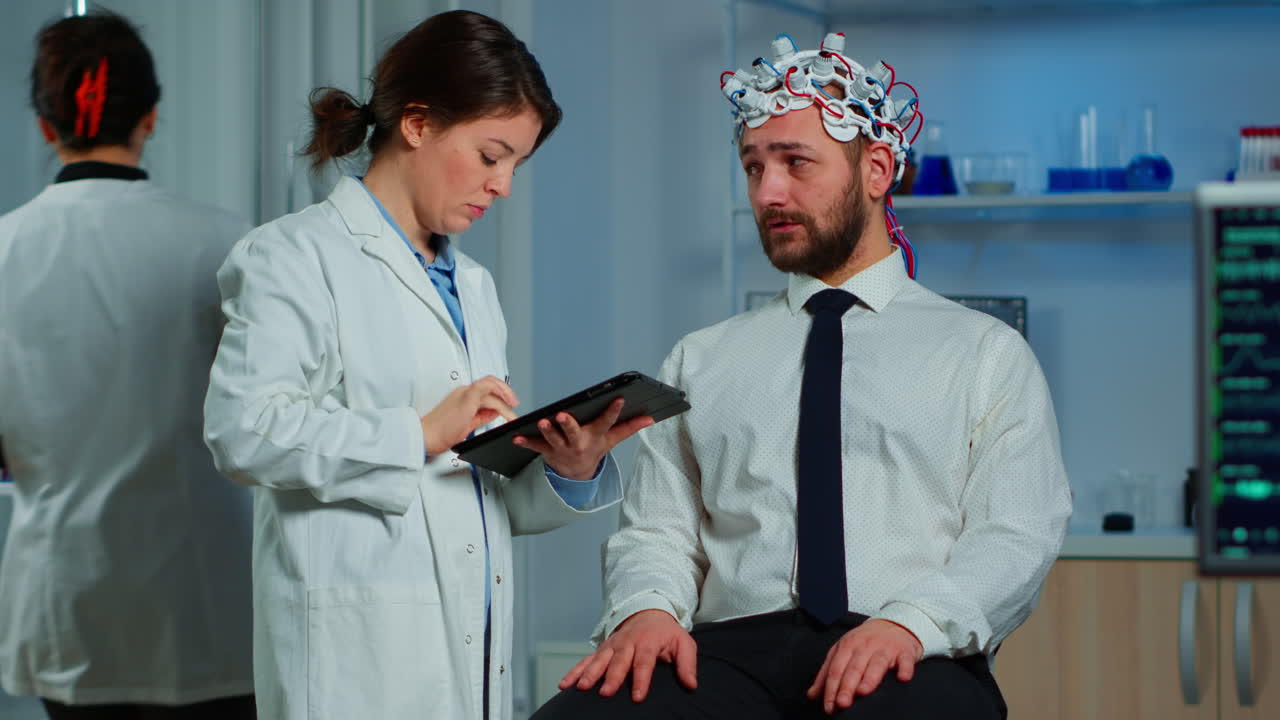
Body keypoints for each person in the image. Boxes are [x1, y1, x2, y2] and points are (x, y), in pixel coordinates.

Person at [533, 31, 1072, 720]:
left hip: (904, 645)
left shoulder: (984, 353)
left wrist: (912, 624)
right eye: (753, 167)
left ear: (877, 169)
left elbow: (1015, 532)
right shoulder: (700, 359)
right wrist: (646, 610)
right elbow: (658, 532)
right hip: (726, 655)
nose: (769, 192)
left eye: (796, 163)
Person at [202, 10, 650, 720]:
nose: (503, 186)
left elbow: (469, 497)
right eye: (491, 155)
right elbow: (243, 430)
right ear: (417, 124)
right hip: (353, 663)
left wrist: (566, 468)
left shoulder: (473, 286)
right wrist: (415, 434)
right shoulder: (293, 256)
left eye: (515, 165)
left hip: (470, 656)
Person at [0, 11, 255, 720]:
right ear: (151, 117)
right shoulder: (227, 244)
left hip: (68, 601)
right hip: (206, 598)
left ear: (45, 127)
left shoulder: (3, 251)